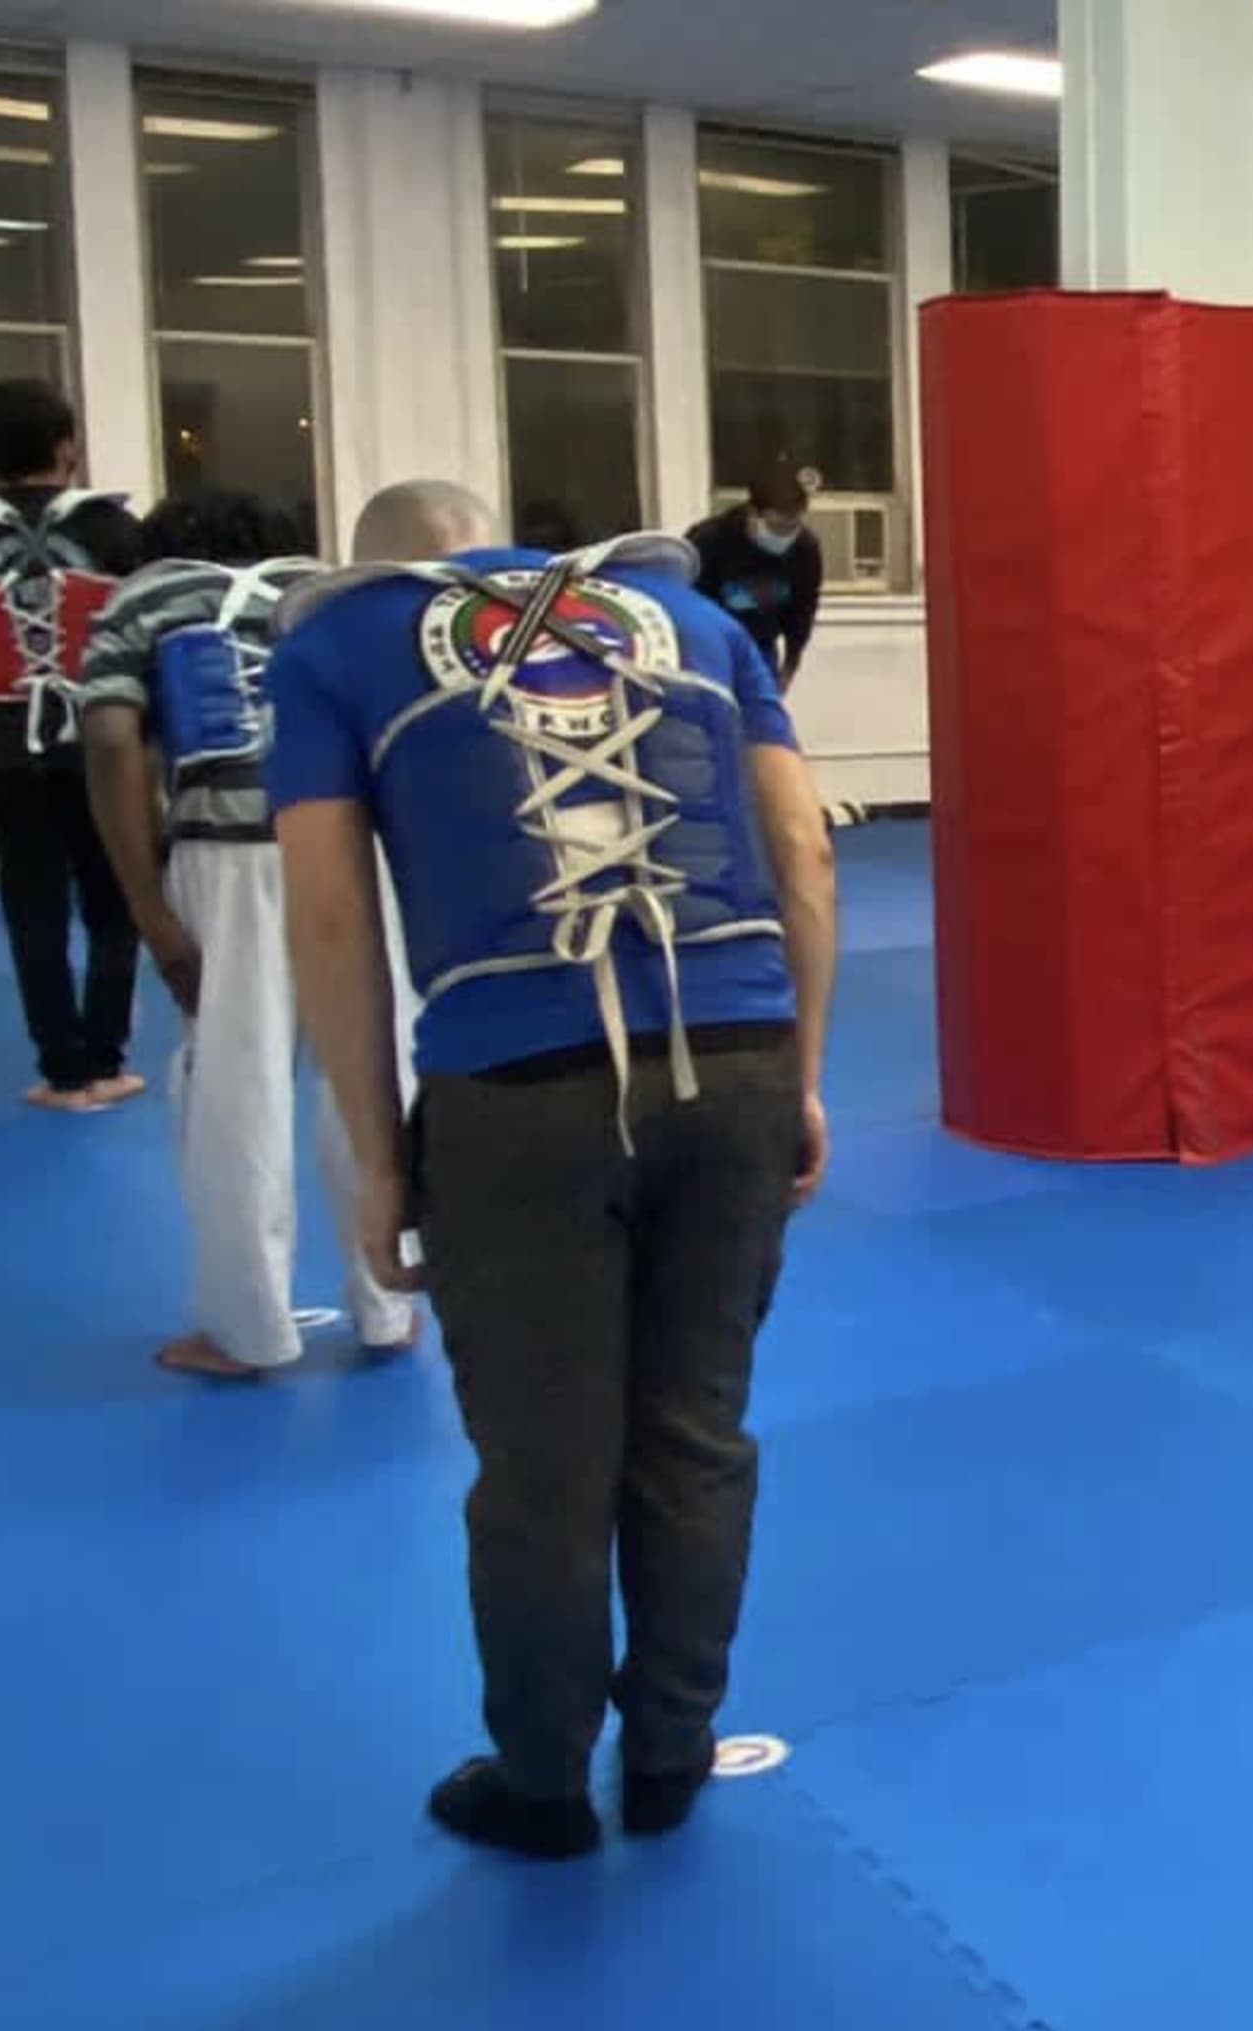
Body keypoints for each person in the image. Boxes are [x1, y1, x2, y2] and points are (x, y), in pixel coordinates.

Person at [269, 478, 839, 1857]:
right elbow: (804, 857)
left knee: (542, 1465)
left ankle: (539, 1780)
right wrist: (802, 1073)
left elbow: (333, 920)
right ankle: (670, 1750)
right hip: (739, 1052)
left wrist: (374, 1157)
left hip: (518, 1090)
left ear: (379, 561)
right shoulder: (692, 616)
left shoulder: (336, 645)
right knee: (696, 1432)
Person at [79, 489, 418, 1380]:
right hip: (352, 838)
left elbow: (112, 741)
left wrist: (151, 914)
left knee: (237, 1082)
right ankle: (389, 1301)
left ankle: (248, 1328)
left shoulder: (146, 596)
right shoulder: (329, 590)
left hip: (226, 854)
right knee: (374, 1069)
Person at [0, 379, 148, 1112]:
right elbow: (152, 640)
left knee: (33, 910)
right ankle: (106, 1061)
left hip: (5, 742)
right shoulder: (113, 530)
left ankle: (63, 1073)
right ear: (67, 445)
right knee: (113, 903)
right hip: (101, 737)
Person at [684, 463, 824, 687]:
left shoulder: (804, 549)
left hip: (761, 649)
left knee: (765, 718)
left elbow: (803, 609)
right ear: (753, 514)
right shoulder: (708, 541)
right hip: (706, 648)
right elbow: (686, 604)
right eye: (777, 527)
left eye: (793, 527)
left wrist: (790, 665)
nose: (785, 536)